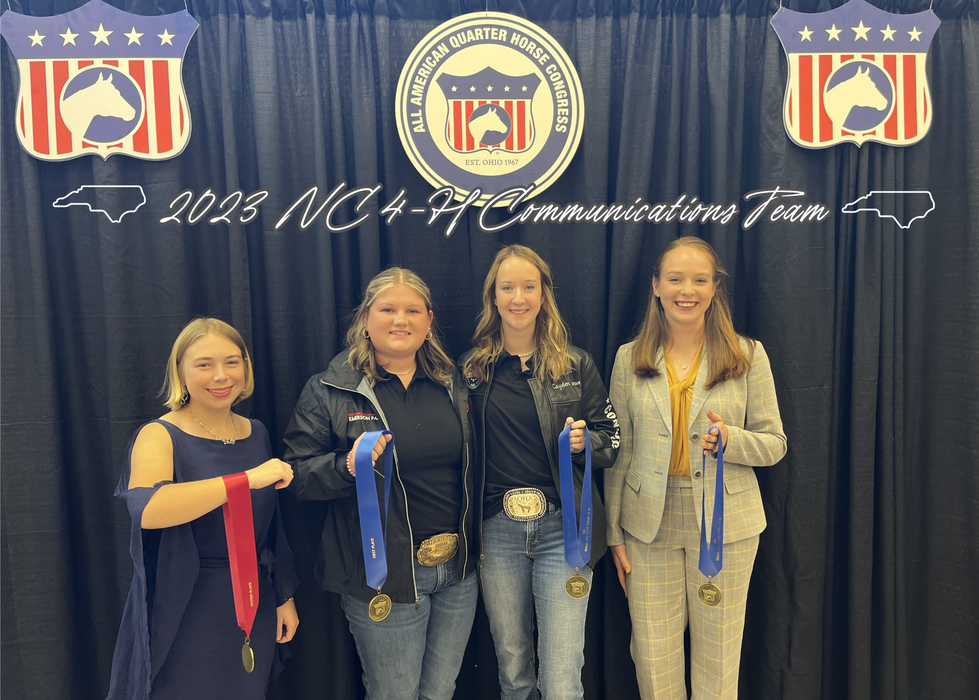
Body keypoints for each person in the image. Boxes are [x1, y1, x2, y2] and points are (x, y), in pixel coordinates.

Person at [605, 236, 787, 700]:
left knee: (719, 658)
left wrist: (732, 439)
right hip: (648, 526)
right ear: (656, 287)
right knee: (652, 657)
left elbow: (775, 444)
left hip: (726, 527)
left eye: (700, 280)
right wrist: (613, 533)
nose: (687, 289)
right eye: (676, 279)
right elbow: (619, 453)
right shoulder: (629, 359)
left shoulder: (748, 355)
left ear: (714, 288)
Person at [283, 268, 478, 700]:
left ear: (429, 321)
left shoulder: (456, 385)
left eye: (412, 310)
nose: (400, 320)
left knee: (440, 693)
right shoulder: (329, 390)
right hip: (383, 575)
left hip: (457, 571)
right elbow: (294, 475)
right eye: (387, 309)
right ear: (365, 320)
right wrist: (345, 466)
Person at [107, 318, 299, 700]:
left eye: (232, 361)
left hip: (252, 601)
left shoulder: (255, 430)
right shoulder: (159, 434)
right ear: (179, 371)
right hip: (186, 604)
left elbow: (270, 525)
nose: (220, 375)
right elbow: (149, 510)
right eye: (204, 364)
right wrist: (243, 481)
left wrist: (283, 596)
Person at [460, 245, 620, 700]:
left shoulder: (576, 364)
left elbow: (614, 439)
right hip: (497, 532)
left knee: (562, 671)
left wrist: (586, 443)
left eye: (529, 286)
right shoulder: (470, 370)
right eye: (507, 287)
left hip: (563, 531)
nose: (518, 297)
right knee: (512, 665)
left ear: (544, 294)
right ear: (493, 296)